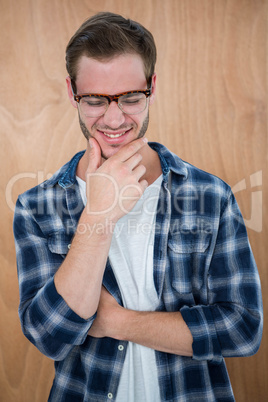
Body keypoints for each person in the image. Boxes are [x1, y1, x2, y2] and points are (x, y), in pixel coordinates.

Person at [14, 12, 263, 402]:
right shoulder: (36, 207)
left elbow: (243, 329)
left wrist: (116, 321)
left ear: (152, 87)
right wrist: (98, 214)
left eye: (131, 98)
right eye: (95, 100)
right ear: (71, 91)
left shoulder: (211, 197)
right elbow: (49, 336)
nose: (114, 119)